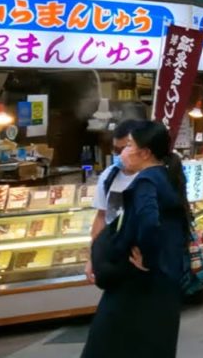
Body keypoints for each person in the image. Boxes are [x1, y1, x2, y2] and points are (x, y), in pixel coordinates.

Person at [83, 121, 191, 358]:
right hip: (164, 282)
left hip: (139, 285)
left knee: (110, 343)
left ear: (145, 152)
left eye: (128, 146)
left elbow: (149, 221)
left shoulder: (145, 180)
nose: (123, 153)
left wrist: (147, 258)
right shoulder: (167, 176)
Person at [86, 120, 138, 284]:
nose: (121, 155)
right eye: (116, 150)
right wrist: (93, 257)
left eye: (126, 148)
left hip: (142, 259)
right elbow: (101, 217)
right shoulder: (108, 175)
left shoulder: (153, 176)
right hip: (114, 255)